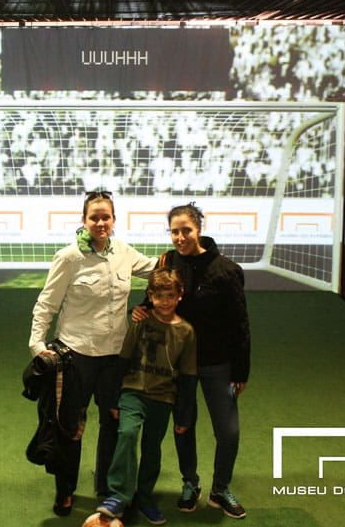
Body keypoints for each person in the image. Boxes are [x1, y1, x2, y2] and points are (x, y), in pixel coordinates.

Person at [29, 191, 158, 517]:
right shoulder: (70, 257)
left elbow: (159, 270)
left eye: (106, 217)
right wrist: (38, 346)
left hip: (116, 358)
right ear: (84, 220)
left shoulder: (124, 253)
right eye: (94, 217)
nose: (101, 223)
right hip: (76, 356)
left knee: (112, 425)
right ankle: (65, 492)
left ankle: (108, 491)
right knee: (69, 427)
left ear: (114, 220)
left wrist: (192, 257)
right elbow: (47, 304)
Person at [131, 202, 251, 519]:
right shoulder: (168, 261)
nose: (180, 237)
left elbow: (240, 324)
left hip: (218, 365)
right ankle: (190, 483)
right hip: (179, 367)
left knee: (228, 432)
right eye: (175, 231)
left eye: (186, 230)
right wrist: (141, 307)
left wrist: (240, 370)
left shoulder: (226, 270)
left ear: (199, 229)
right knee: (183, 426)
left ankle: (220, 489)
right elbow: (156, 297)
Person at [95, 267, 198, 525]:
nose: (165, 302)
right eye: (159, 296)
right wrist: (113, 397)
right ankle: (119, 494)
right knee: (127, 434)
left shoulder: (186, 331)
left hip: (163, 399)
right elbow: (123, 359)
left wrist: (184, 414)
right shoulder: (140, 321)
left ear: (179, 296)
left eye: (170, 296)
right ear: (150, 296)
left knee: (152, 448)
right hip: (133, 392)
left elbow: (188, 377)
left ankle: (144, 497)